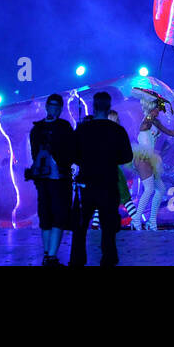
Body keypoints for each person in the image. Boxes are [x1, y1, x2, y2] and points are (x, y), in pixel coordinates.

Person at [70, 91, 135, 266]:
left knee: (81, 226)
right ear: (109, 108)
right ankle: (108, 259)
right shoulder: (117, 131)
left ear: (94, 107)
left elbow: (73, 154)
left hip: (87, 184)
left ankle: (77, 260)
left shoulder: (83, 129)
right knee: (108, 227)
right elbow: (127, 157)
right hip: (108, 183)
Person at [131, 89, 174, 231]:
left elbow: (169, 132)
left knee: (160, 190)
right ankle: (136, 219)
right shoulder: (146, 121)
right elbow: (147, 119)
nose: (158, 111)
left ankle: (152, 222)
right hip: (143, 158)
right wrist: (150, 102)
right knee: (148, 190)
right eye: (156, 109)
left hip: (150, 158)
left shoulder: (154, 121)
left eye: (158, 109)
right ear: (150, 108)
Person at [28, 93, 76, 266]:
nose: (55, 108)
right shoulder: (63, 127)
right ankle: (50, 256)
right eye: (53, 105)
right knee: (55, 216)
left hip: (45, 179)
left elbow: (35, 154)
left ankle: (49, 255)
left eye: (57, 105)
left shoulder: (37, 129)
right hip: (56, 179)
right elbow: (71, 151)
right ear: (48, 106)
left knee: (48, 216)